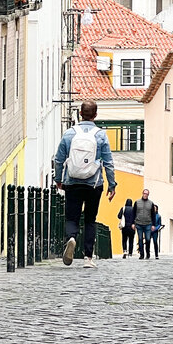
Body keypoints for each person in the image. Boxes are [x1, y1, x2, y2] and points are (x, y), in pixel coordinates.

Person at [54, 99, 116, 269]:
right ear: (95, 115)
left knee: (71, 217)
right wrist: (112, 185)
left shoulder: (69, 134)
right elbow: (108, 162)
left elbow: (59, 159)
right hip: (94, 184)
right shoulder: (100, 135)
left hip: (72, 182)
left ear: (80, 113)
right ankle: (88, 257)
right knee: (90, 219)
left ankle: (71, 238)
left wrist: (58, 179)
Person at [133, 188, 154, 261]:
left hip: (148, 223)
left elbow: (153, 214)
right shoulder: (137, 202)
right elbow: (134, 213)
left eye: (147, 194)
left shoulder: (151, 203)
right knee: (140, 239)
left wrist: (153, 225)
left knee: (148, 239)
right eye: (144, 193)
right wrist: (133, 223)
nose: (145, 195)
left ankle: (147, 253)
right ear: (142, 193)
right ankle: (141, 254)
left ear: (148, 195)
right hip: (139, 223)